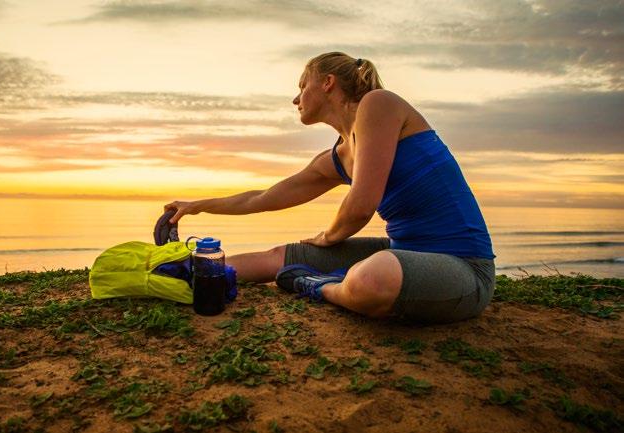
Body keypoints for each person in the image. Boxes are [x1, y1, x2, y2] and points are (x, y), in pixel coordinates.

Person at [164, 52, 495, 324]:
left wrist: (328, 237)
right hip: (404, 251)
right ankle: (187, 274)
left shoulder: (379, 104)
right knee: (281, 256)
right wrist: (197, 205)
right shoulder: (338, 156)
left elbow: (362, 206)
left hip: (463, 267)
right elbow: (264, 197)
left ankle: (321, 287)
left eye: (302, 86)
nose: (296, 99)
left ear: (327, 83)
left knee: (372, 278)